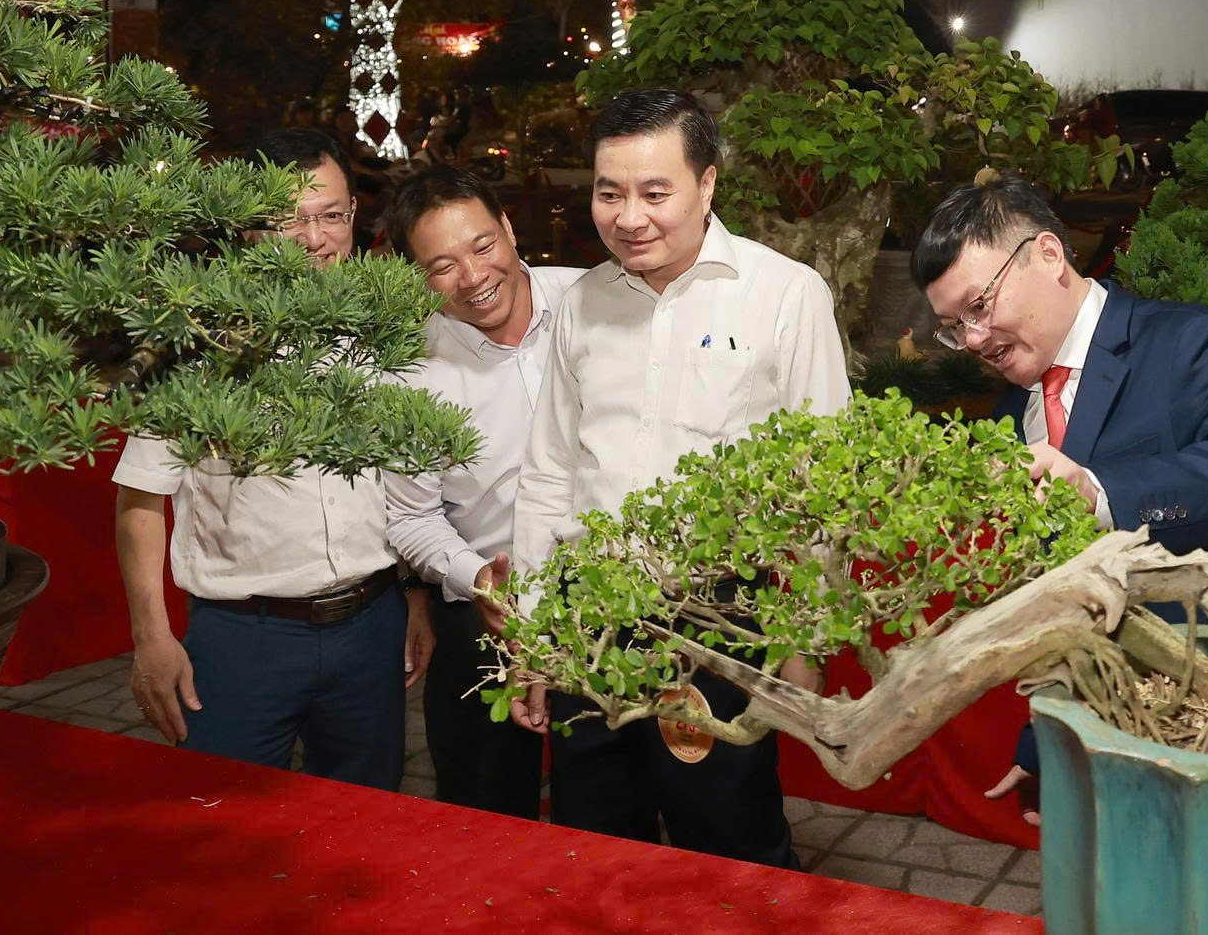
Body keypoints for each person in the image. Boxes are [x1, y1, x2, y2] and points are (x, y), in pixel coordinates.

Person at [506, 88, 849, 866]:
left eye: (655, 192)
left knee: (728, 845)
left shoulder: (784, 295)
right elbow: (549, 473)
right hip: (589, 616)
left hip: (716, 619)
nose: (630, 217)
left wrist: (807, 641)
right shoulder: (584, 302)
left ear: (708, 183)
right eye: (610, 192)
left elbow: (823, 483)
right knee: (595, 843)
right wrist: (534, 632)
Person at [913, 171, 1208, 818]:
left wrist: (1099, 491)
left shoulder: (1191, 341)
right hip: (1094, 732)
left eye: (979, 306)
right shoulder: (1008, 414)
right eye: (955, 326)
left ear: (1048, 254)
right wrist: (1047, 736)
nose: (974, 339)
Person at [112, 126, 428, 788]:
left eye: (331, 215)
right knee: (223, 816)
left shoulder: (386, 326)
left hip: (371, 625)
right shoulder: (196, 340)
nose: (314, 238)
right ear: (248, 227)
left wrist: (417, 597)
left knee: (367, 818)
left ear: (354, 213)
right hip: (244, 635)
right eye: (289, 220)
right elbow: (140, 497)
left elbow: (411, 482)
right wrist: (151, 636)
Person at [382, 164, 582, 817]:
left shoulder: (591, 304)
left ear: (509, 227)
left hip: (610, 597)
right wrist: (478, 580)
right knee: (484, 811)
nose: (471, 276)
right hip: (484, 602)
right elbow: (410, 516)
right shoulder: (409, 368)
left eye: (482, 245)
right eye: (441, 266)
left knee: (608, 803)